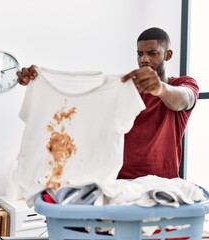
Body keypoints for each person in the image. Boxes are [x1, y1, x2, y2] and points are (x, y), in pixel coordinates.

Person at [17, 27, 199, 180]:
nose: (144, 59)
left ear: (168, 54)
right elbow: (78, 104)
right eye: (140, 54)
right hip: (117, 183)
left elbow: (184, 99)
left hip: (161, 185)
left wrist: (160, 88)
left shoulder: (181, 85)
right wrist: (42, 81)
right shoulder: (123, 90)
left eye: (152, 53)